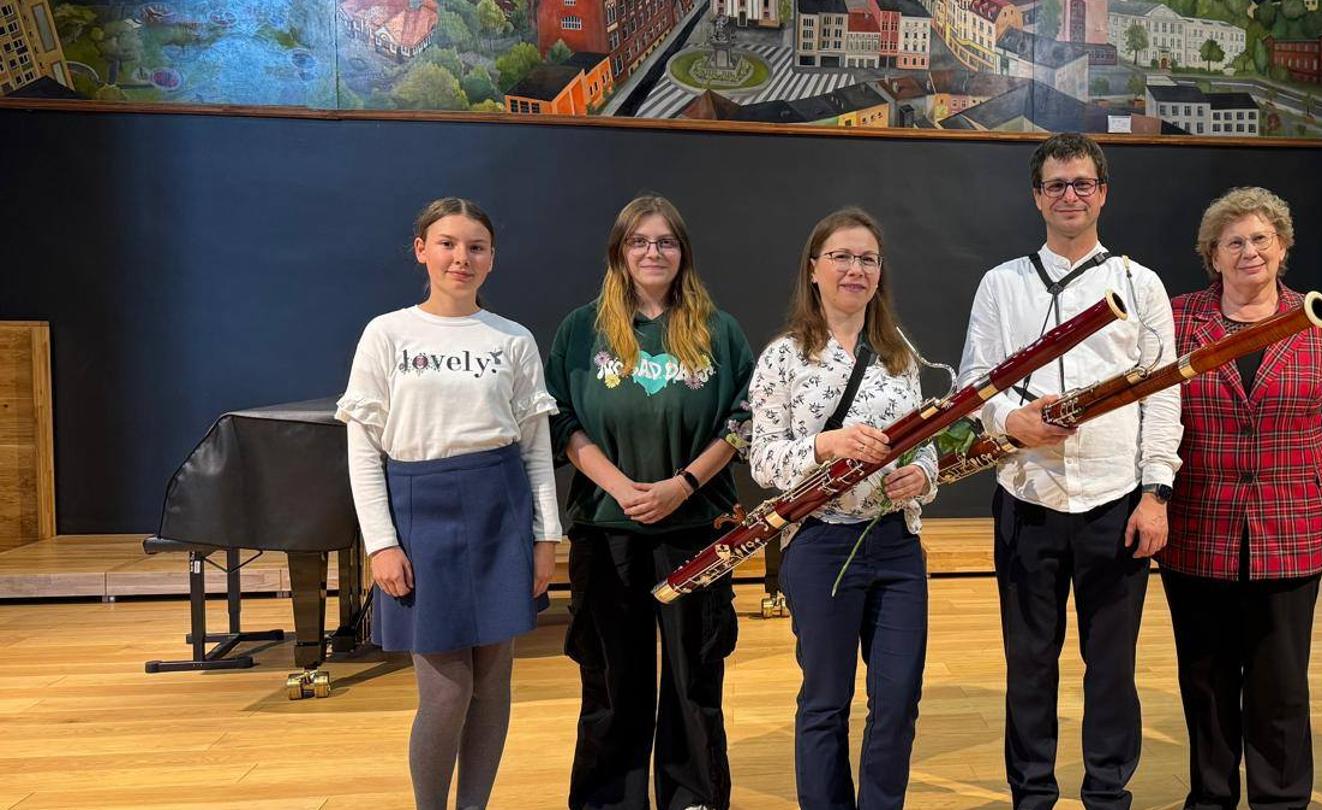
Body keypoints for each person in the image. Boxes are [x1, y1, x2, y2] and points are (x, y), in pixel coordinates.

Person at [957, 132, 1182, 810]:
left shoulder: (1140, 285)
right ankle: (1032, 793)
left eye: (1082, 183)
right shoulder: (1003, 283)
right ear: (1037, 196)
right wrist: (1008, 422)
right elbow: (974, 381)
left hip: (1114, 501)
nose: (1070, 195)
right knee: (1029, 663)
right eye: (1056, 184)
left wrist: (1155, 493)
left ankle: (1107, 792)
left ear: (1103, 192)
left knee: (1110, 667)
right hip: (1027, 495)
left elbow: (1162, 394)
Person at [337, 197, 562, 810]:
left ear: (491, 258)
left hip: (500, 509)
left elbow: (535, 448)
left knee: (493, 684)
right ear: (422, 250)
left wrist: (547, 537)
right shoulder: (387, 333)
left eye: (475, 247)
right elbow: (364, 449)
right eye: (447, 243)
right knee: (445, 692)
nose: (461, 257)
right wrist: (381, 543)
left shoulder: (513, 339)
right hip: (419, 514)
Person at [545, 194, 755, 810]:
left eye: (665, 241)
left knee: (695, 678)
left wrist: (681, 485)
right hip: (606, 526)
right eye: (640, 241)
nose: (653, 252)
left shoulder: (718, 329)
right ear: (619, 251)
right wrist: (620, 486)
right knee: (612, 678)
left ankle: (693, 797)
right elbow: (561, 420)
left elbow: (744, 421)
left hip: (696, 526)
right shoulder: (581, 329)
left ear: (683, 252)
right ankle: (610, 800)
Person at [1159, 186, 1322, 810]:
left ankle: (1280, 800)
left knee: (1280, 685)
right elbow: (1155, 415)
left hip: (1293, 526)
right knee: (1205, 678)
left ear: (1283, 248)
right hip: (1198, 526)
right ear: (1212, 255)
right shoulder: (1176, 319)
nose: (1249, 252)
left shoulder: (1320, 321)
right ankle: (1211, 797)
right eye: (1234, 243)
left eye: (1261, 240)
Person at [748, 207, 939, 810]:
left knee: (898, 695)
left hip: (895, 545)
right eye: (841, 256)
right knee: (826, 699)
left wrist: (923, 476)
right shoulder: (784, 356)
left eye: (867, 259)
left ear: (880, 274)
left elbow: (925, 442)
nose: (854, 269)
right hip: (821, 544)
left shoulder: (899, 352)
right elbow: (763, 461)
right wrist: (823, 445)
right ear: (813, 269)